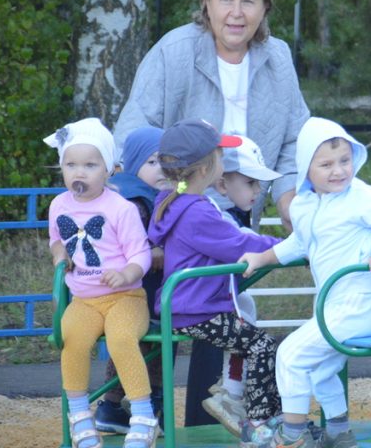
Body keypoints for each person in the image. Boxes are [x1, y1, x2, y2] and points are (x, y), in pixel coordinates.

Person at [114, 0, 310, 425]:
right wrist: (165, 193)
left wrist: (288, 199)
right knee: (157, 305)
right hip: (179, 202)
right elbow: (133, 131)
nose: (236, 13)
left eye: (249, 1)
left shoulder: (278, 57)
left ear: (264, 7)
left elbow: (295, 139)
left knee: (218, 314)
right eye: (226, 0)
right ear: (206, 3)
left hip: (236, 205)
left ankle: (205, 424)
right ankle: (133, 410)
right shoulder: (175, 50)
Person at [240, 117, 371, 448]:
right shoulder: (303, 204)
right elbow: (298, 244)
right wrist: (260, 258)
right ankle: (339, 432)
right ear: (306, 168)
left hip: (359, 306)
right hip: (331, 307)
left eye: (344, 161)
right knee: (320, 369)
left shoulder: (361, 196)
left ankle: (292, 435)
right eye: (326, 165)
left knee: (290, 353)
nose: (338, 171)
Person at [147, 118, 283, 448]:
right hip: (197, 310)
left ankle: (243, 402)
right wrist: (289, 247)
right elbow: (239, 244)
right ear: (207, 167)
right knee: (262, 345)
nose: (224, 162)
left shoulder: (173, 200)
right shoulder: (198, 212)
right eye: (221, 156)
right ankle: (258, 426)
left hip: (186, 306)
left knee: (249, 333)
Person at [44, 118, 159, 448]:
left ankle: (143, 416)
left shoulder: (120, 208)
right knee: (72, 339)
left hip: (125, 296)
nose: (79, 173)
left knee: (122, 339)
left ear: (109, 170)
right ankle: (80, 414)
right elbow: (56, 240)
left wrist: (126, 274)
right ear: (62, 168)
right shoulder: (59, 205)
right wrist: (59, 254)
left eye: (90, 165)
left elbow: (141, 254)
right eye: (71, 165)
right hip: (85, 299)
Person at [202, 135, 283, 436]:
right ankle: (240, 402)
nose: (258, 190)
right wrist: (289, 247)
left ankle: (232, 389)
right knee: (256, 337)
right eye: (251, 182)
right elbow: (244, 242)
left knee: (245, 308)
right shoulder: (217, 216)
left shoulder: (224, 214)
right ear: (223, 184)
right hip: (198, 302)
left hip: (208, 297)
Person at [94, 126, 170, 434]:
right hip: (134, 293)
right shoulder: (136, 202)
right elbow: (123, 246)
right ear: (134, 163)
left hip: (120, 295)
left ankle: (111, 406)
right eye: (152, 162)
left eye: (166, 161)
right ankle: (151, 408)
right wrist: (154, 250)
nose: (161, 169)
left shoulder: (129, 193)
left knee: (132, 343)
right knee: (160, 341)